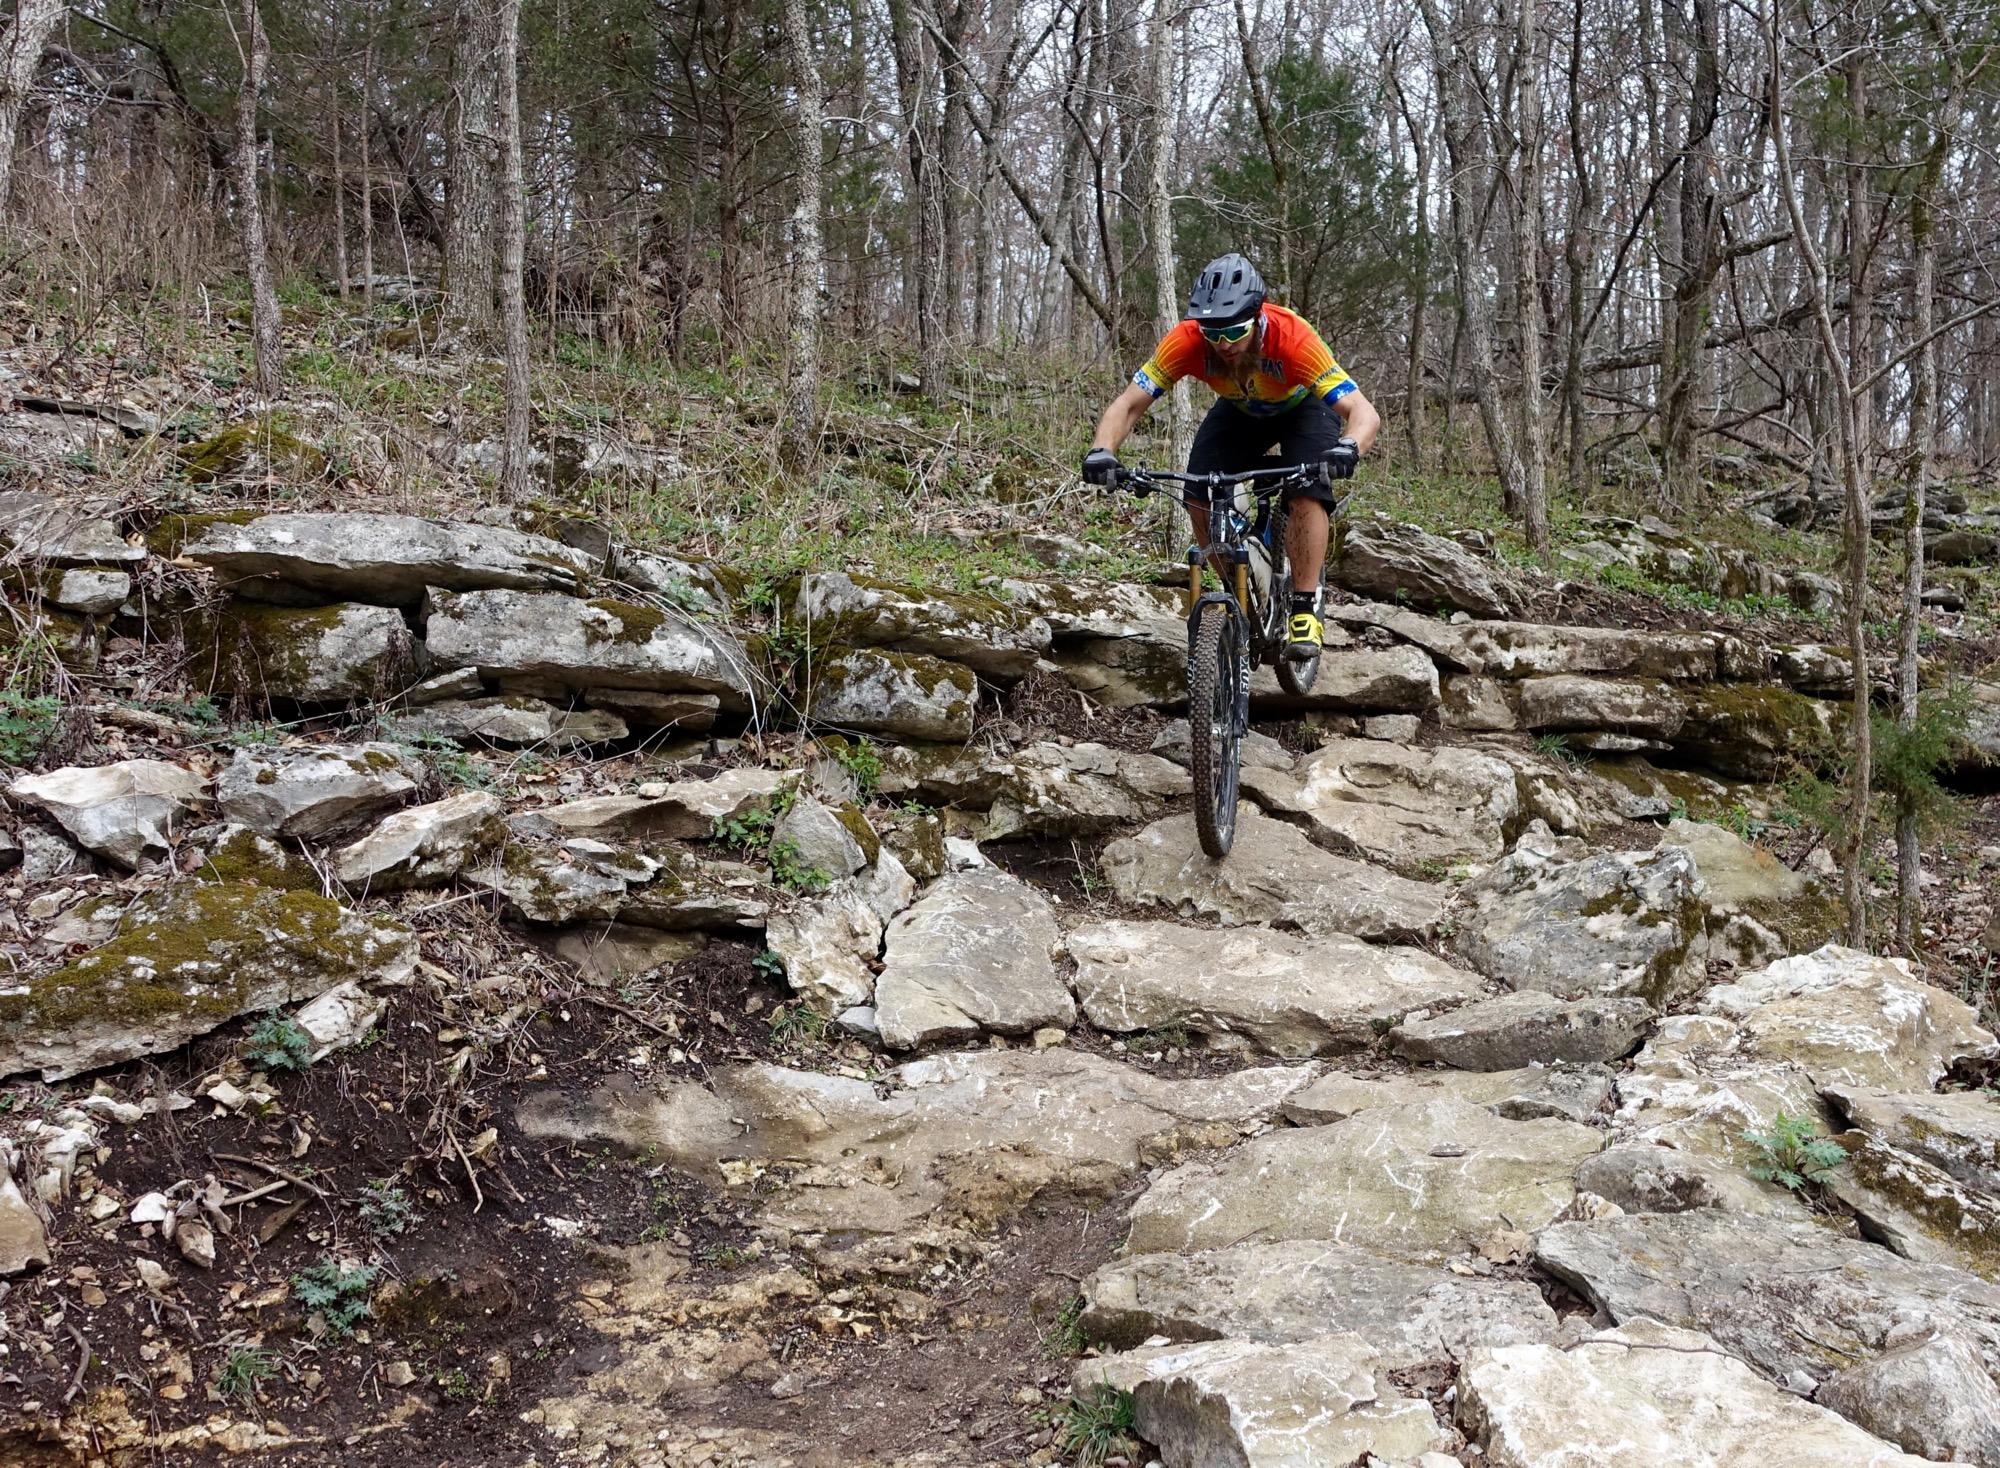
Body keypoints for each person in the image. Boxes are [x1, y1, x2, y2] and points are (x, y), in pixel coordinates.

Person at [1081, 253, 1380, 659]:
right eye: (1212, 333)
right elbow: (1130, 404)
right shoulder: (1186, 340)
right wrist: (1102, 451)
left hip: (1303, 409)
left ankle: (1305, 608)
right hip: (1239, 411)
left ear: (1257, 316)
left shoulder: (1293, 338)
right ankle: (1235, 591)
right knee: (1198, 492)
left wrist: (1349, 446)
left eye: (1234, 331)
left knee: (1308, 492)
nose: (1223, 345)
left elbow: (1362, 412)